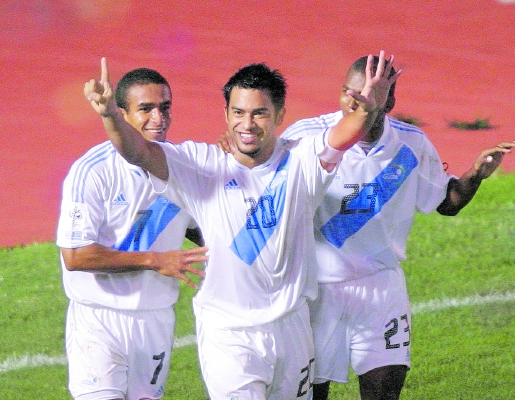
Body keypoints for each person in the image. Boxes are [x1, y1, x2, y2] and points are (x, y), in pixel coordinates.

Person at [83, 52, 400, 399]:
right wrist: (112, 116)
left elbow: (344, 133)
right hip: (229, 337)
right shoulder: (200, 165)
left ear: (279, 115)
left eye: (259, 113)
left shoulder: (301, 160)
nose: (247, 124)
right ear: (226, 114)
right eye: (238, 112)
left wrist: (370, 108)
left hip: (291, 328)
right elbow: (138, 152)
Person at [279, 55, 515, 400]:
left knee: (384, 393)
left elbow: (446, 203)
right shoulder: (304, 137)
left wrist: (475, 174)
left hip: (381, 288)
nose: (355, 100)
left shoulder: (411, 144)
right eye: (349, 91)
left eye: (370, 93)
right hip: (316, 289)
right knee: (311, 394)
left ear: (389, 101)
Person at [56, 67, 209, 400]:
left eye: (165, 107)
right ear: (121, 114)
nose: (159, 118)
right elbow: (76, 255)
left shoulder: (183, 167)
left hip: (154, 320)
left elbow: (209, 230)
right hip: (99, 320)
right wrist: (155, 260)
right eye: (146, 109)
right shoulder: (92, 171)